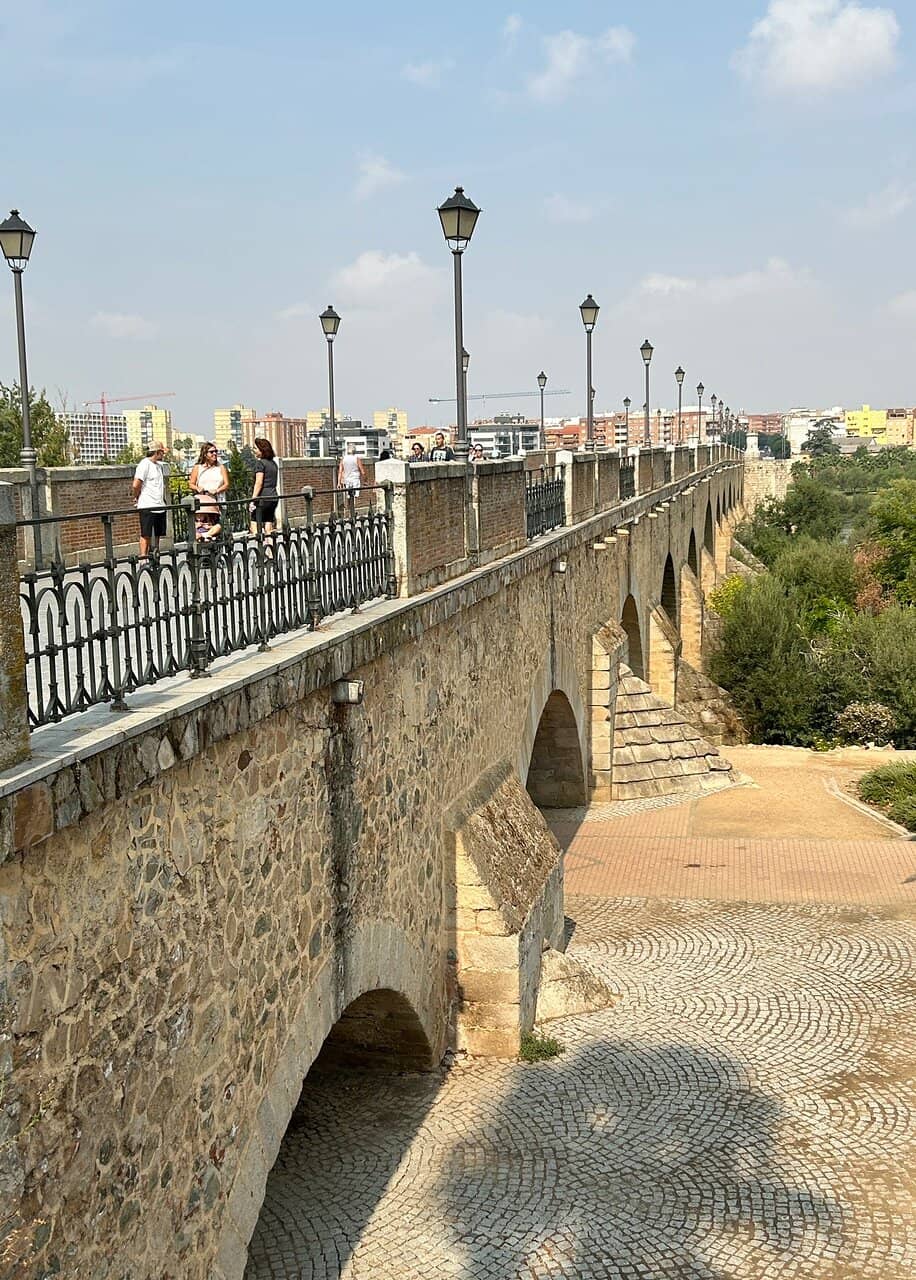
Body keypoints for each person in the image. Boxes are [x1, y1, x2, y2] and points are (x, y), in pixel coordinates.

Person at [132, 440, 167, 557]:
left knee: (158, 533)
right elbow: (136, 484)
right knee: (146, 533)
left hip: (159, 504)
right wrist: (137, 496)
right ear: (157, 452)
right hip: (147, 504)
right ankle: (143, 556)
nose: (163, 455)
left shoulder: (159, 466)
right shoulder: (144, 464)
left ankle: (155, 554)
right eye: (162, 452)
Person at [189, 442, 228, 541]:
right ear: (205, 454)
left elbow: (226, 484)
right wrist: (198, 488)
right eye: (212, 452)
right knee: (201, 522)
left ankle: (207, 537)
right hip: (203, 502)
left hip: (217, 500)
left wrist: (217, 490)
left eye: (216, 451)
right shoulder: (198, 468)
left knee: (218, 523)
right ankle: (204, 537)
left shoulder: (221, 467)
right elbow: (191, 483)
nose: (215, 454)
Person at [249, 437, 279, 535]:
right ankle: (270, 549)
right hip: (273, 497)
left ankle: (261, 546)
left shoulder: (260, 463)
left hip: (263, 498)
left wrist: (253, 500)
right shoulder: (273, 464)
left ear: (262, 450)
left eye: (255, 448)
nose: (254, 451)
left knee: (254, 523)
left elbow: (259, 483)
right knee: (268, 525)